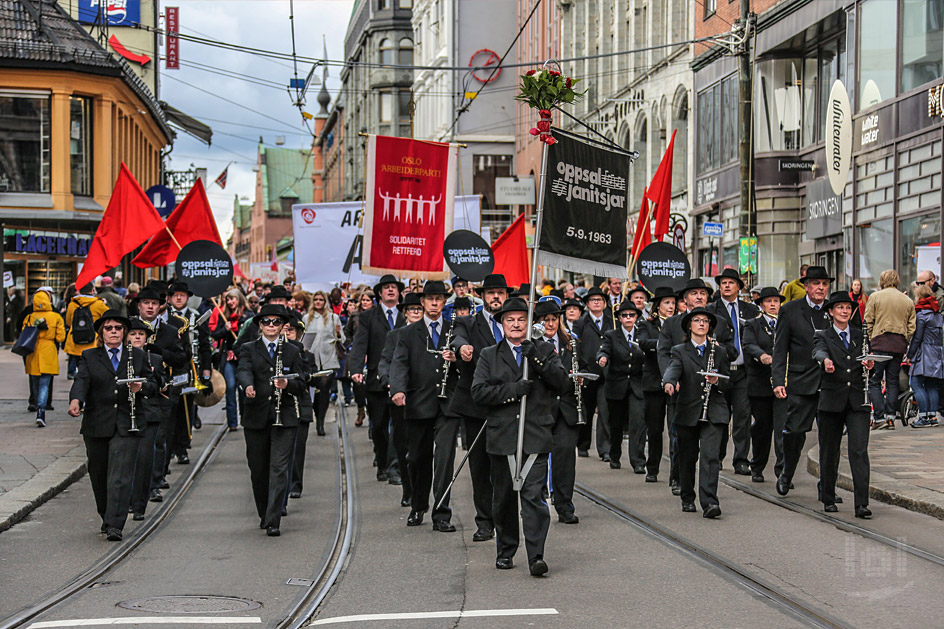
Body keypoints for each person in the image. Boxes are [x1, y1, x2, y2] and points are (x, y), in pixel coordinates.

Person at [471, 297, 567, 575]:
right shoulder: (489, 354)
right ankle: (506, 550)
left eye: (521, 319)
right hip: (503, 437)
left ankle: (536, 555)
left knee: (533, 497)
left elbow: (560, 382)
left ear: (529, 323)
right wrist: (513, 390)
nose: (515, 324)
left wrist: (534, 358)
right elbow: (478, 393)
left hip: (535, 435)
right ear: (502, 324)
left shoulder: (544, 350)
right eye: (510, 320)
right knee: (503, 499)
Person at [68, 310, 154, 541]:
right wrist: (76, 400)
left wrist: (141, 387)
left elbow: (154, 384)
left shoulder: (137, 355)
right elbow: (82, 381)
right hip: (97, 423)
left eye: (118, 328)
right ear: (101, 332)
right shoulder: (89, 356)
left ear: (124, 332)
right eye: (109, 328)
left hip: (128, 423)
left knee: (121, 475)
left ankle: (116, 523)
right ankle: (106, 515)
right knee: (99, 474)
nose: (114, 332)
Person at [390, 280, 460, 531]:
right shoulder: (407, 333)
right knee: (418, 458)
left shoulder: (455, 328)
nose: (433, 302)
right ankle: (418, 505)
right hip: (418, 402)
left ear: (444, 302)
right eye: (429, 298)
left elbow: (466, 360)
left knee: (444, 459)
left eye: (438, 298)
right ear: (421, 302)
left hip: (448, 404)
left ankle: (442, 514)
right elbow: (399, 363)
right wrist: (397, 389)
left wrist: (458, 358)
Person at [449, 273, 512, 542]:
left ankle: (506, 518)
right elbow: (457, 338)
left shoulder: (515, 322)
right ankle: (484, 521)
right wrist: (463, 348)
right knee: (480, 466)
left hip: (508, 405)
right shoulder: (467, 321)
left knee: (506, 466)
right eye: (490, 292)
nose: (495, 296)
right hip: (476, 405)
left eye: (500, 292)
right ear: (482, 296)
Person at [236, 304, 308, 537]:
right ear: (259, 325)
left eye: (276, 322)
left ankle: (274, 518)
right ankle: (264, 512)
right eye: (266, 322)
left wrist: (288, 384)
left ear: (282, 326)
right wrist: (247, 386)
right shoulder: (248, 348)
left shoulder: (293, 349)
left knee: (279, 468)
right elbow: (243, 370)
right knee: (258, 468)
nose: (271, 326)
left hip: (284, 416)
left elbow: (303, 381)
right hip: (256, 415)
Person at [658, 278, 733, 496]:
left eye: (703, 293)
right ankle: (679, 480)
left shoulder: (718, 322)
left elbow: (732, 353)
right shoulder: (672, 324)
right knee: (681, 444)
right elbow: (666, 354)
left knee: (711, 451)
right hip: (683, 391)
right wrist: (670, 380)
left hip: (712, 399)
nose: (699, 297)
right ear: (685, 298)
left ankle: (709, 498)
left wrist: (720, 354)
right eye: (694, 293)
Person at [772, 265, 833, 497]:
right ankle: (786, 472)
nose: (820, 288)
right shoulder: (790, 310)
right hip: (800, 381)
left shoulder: (834, 310)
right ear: (806, 287)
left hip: (830, 383)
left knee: (829, 436)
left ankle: (826, 487)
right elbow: (780, 349)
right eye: (815, 283)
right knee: (795, 432)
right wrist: (778, 380)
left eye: (824, 284)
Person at [812, 291, 874, 518]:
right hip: (831, 400)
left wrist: (870, 363)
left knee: (859, 451)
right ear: (831, 311)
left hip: (858, 400)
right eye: (840, 307)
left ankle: (861, 504)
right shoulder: (824, 335)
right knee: (829, 451)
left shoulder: (860, 335)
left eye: (848, 308)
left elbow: (867, 358)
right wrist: (825, 360)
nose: (845, 311)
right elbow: (818, 351)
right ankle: (828, 497)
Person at [133, 286, 189, 502]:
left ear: (160, 306)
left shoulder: (169, 330)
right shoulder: (130, 326)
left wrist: (158, 352)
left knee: (159, 438)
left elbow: (180, 357)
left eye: (154, 303)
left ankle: (155, 483)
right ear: (139, 306)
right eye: (146, 303)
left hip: (162, 391)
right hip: (135, 392)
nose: (150, 307)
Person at [349, 275, 406, 482]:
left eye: (394, 287)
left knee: (399, 425)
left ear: (399, 292)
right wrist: (355, 368)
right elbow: (359, 345)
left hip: (401, 378)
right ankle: (382, 462)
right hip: (375, 379)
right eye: (386, 288)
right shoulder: (368, 317)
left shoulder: (406, 314)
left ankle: (395, 466)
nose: (391, 290)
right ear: (380, 293)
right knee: (379, 424)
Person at [708, 268, 759, 476]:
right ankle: (717, 457)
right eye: (723, 282)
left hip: (744, 371)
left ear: (739, 286)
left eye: (731, 282)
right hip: (721, 372)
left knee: (742, 416)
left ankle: (740, 459)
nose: (727, 285)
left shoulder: (750, 310)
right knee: (720, 416)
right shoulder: (711, 310)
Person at [534, 299, 581, 524]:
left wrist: (582, 379)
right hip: (542, 407)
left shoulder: (570, 342)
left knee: (564, 457)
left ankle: (564, 505)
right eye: (545, 320)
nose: (550, 324)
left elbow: (584, 366)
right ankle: (537, 499)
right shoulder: (531, 345)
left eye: (553, 319)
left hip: (566, 408)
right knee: (538, 456)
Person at [378, 292, 425, 508]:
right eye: (412, 309)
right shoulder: (395, 335)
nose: (416, 312)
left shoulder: (430, 333)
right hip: (401, 398)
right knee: (403, 446)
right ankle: (408, 489)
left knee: (421, 450)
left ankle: (423, 491)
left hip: (425, 398)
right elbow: (386, 361)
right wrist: (390, 383)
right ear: (404, 312)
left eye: (419, 309)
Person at [596, 300, 646, 472]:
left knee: (637, 423)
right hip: (617, 385)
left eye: (631, 315)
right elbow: (604, 350)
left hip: (637, 385)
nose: (628, 318)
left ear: (636, 317)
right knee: (615, 424)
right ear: (619, 318)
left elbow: (650, 349)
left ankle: (638, 460)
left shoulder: (642, 333)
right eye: (624, 315)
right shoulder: (612, 335)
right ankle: (614, 454)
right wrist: (602, 358)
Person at [742, 287, 786, 483]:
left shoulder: (786, 324)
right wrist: (762, 355)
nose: (773, 304)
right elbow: (748, 344)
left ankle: (783, 471)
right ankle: (757, 465)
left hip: (782, 383)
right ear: (761, 304)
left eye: (776, 301)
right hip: (760, 383)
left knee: (782, 427)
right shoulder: (753, 324)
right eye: (769, 301)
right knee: (762, 427)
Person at [127, 318, 169, 520]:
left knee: (144, 458)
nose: (136, 337)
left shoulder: (156, 358)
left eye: (140, 334)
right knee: (128, 459)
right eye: (133, 333)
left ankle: (140, 503)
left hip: (149, 414)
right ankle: (127, 498)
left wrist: (153, 377)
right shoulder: (122, 358)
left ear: (146, 339)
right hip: (127, 414)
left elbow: (162, 384)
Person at [864, 270, 916, 430]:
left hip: (880, 342)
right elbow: (912, 325)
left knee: (874, 380)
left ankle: (879, 416)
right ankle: (891, 417)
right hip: (898, 344)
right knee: (893, 380)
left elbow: (868, 320)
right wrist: (904, 337)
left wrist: (872, 338)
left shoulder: (875, 297)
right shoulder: (906, 300)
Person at [638, 286, 676, 482]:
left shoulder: (679, 324)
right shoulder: (647, 324)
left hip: (675, 382)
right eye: (667, 303)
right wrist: (663, 344)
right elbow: (643, 343)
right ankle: (652, 467)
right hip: (654, 382)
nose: (671, 306)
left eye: (672, 303)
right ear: (658, 306)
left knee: (675, 428)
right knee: (654, 429)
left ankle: (675, 473)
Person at [573, 287, 613, 460]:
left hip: (606, 373)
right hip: (588, 372)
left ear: (604, 303)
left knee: (605, 411)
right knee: (586, 409)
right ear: (587, 304)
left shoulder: (612, 321)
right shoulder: (580, 322)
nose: (596, 302)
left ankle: (605, 449)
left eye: (600, 300)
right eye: (593, 300)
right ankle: (583, 444)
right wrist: (581, 368)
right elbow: (577, 346)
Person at [303, 291, 344, 437]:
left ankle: (321, 421)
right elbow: (303, 339)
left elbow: (342, 340)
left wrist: (338, 334)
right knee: (314, 390)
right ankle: (316, 414)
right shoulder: (307, 318)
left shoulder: (334, 318)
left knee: (324, 389)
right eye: (316, 299)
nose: (318, 302)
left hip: (328, 359)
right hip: (311, 359)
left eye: (321, 300)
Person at [210, 289, 251, 431]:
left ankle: (246, 418)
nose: (230, 302)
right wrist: (225, 329)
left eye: (232, 299)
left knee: (243, 388)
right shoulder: (224, 316)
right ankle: (232, 422)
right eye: (228, 299)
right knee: (230, 386)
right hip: (228, 357)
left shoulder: (248, 316)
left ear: (239, 299)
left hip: (243, 357)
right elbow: (214, 335)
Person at [284, 314, 316, 499]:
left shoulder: (305, 354)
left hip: (300, 406)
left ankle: (295, 483)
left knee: (298, 447)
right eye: (285, 330)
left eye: (291, 331)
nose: (288, 334)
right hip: (281, 406)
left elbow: (310, 373)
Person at [23, 289, 66, 427]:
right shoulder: (56, 317)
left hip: (33, 352)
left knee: (35, 383)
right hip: (49, 351)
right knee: (45, 383)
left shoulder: (29, 317)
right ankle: (41, 410)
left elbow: (23, 333)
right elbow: (60, 337)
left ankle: (36, 404)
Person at [906, 285, 944, 428]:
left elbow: (917, 338)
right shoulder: (938, 315)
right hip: (937, 353)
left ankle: (923, 417)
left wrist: (910, 355)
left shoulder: (921, 316)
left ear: (920, 297)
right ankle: (933, 416)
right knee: (932, 385)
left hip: (924, 353)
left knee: (915, 383)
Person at [64, 283, 108, 380]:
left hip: (75, 340)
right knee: (92, 371)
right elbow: (108, 318)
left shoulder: (72, 304)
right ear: (92, 291)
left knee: (80, 370)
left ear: (79, 291)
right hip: (94, 341)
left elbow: (68, 322)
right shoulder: (99, 304)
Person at [344, 290, 375, 427]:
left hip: (373, 354)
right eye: (363, 300)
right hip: (358, 354)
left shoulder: (377, 315)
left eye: (368, 300)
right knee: (357, 384)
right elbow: (348, 332)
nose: (365, 303)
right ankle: (360, 409)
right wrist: (352, 345)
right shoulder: (355, 315)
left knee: (371, 385)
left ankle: (371, 413)